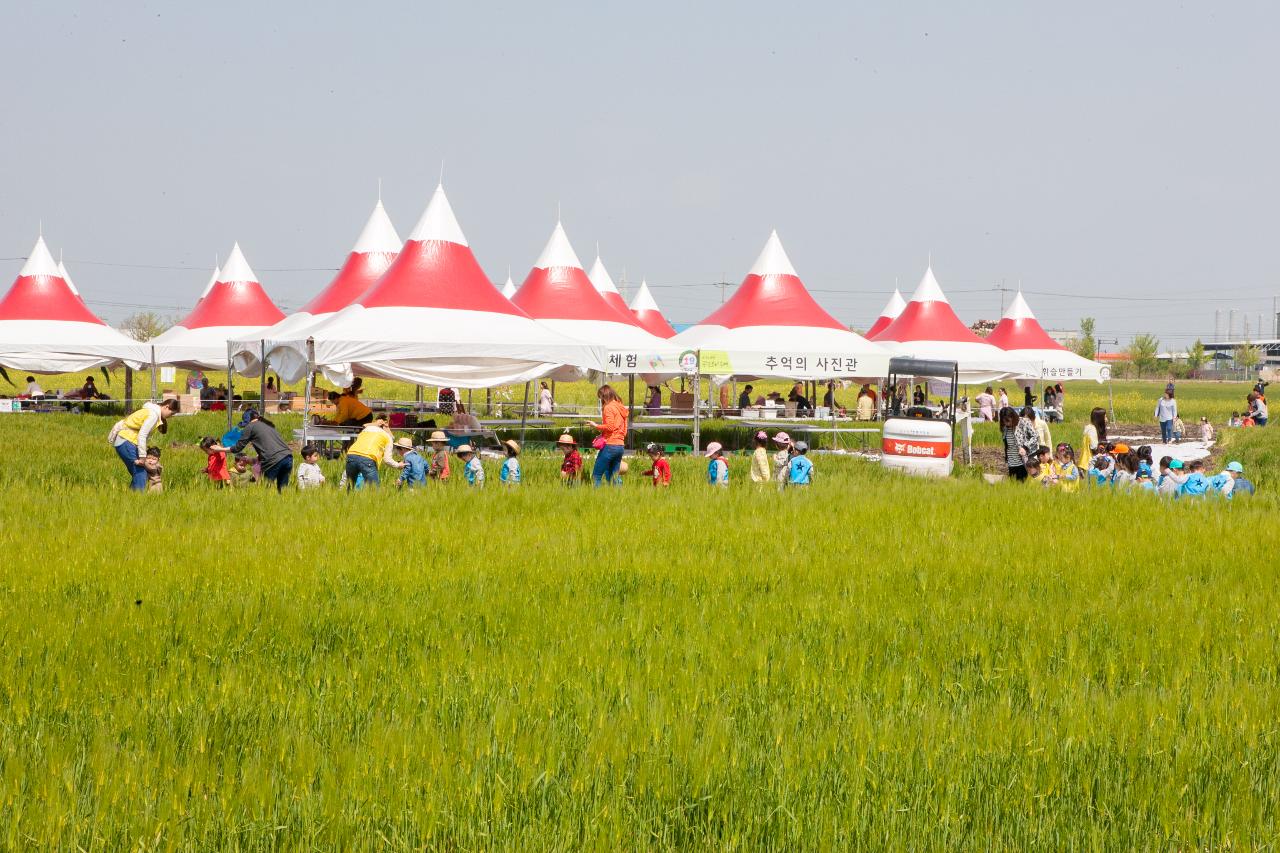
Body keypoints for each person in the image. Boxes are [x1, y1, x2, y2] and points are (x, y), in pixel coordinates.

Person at [109, 398, 181, 491]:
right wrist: (143, 457)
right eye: (171, 414)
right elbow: (142, 435)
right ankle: (137, 500)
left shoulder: (151, 411)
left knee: (139, 473)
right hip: (127, 440)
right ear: (166, 407)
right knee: (141, 473)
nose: (170, 416)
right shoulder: (154, 415)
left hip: (125, 441)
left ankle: (130, 499)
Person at [342, 417, 403, 490]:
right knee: (374, 491)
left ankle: (348, 500)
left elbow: (365, 425)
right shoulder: (387, 437)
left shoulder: (366, 430)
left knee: (350, 488)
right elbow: (387, 460)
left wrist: (376, 423)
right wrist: (398, 465)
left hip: (351, 455)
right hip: (368, 459)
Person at [587, 385, 628, 486]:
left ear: (604, 395)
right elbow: (625, 430)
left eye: (601, 397)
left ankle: (595, 497)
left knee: (597, 474)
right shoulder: (621, 407)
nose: (601, 400)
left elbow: (610, 427)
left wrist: (595, 425)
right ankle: (619, 496)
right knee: (613, 475)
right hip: (620, 446)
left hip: (610, 445)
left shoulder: (608, 408)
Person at [999, 407, 1029, 481]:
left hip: (1024, 461)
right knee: (1014, 486)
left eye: (1008, 421)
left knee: (1024, 485)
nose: (1007, 423)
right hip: (1011, 463)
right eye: (1004, 421)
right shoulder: (1005, 428)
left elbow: (1035, 437)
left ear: (1013, 417)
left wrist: (1024, 447)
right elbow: (1007, 445)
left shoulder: (1023, 422)